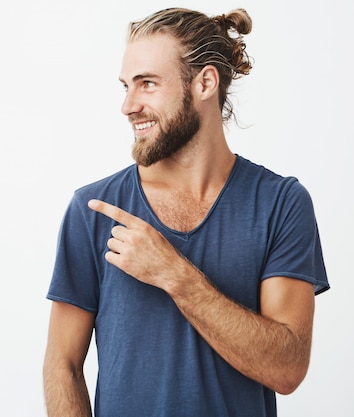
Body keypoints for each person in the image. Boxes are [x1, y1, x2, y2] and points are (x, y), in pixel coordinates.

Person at [42, 7, 329, 417]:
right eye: (126, 85)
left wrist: (175, 276)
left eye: (148, 84)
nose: (128, 105)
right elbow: (63, 366)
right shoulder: (93, 209)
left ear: (205, 83)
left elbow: (287, 370)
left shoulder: (280, 203)